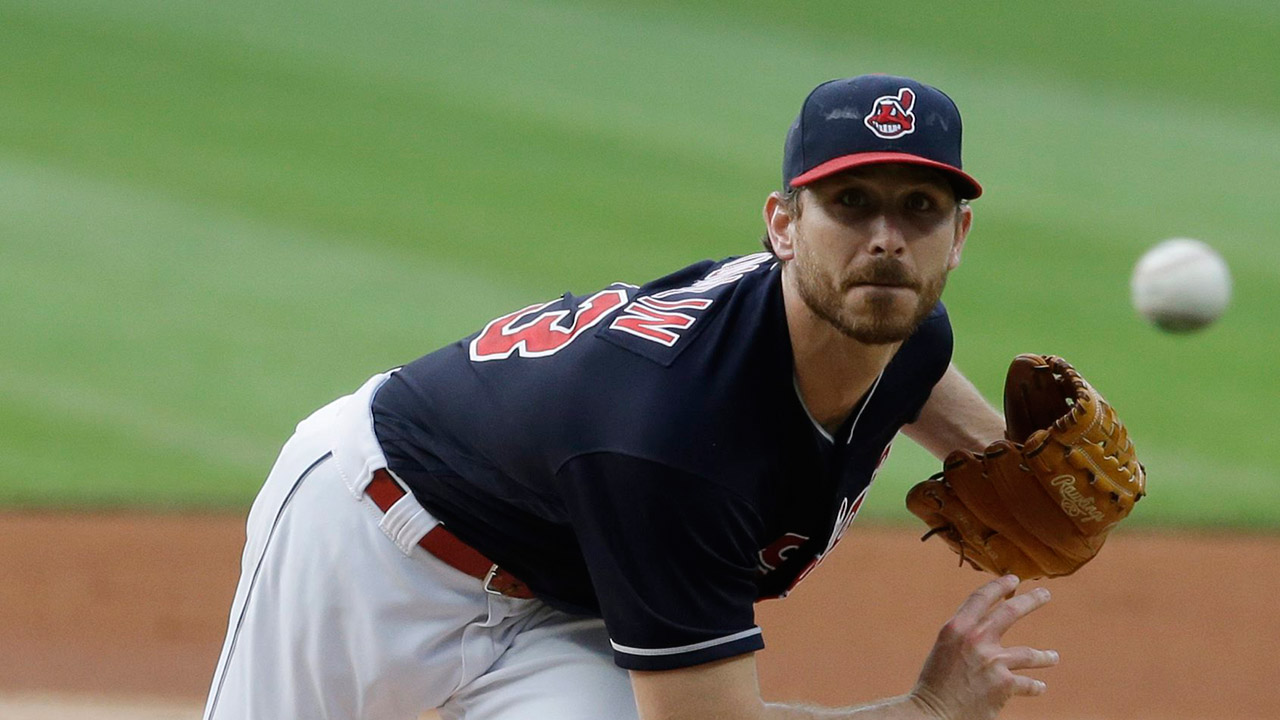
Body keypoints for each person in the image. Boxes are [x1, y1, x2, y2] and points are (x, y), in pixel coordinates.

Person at [203, 74, 1059, 720]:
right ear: (783, 227)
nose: (886, 239)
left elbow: (926, 382)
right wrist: (924, 711)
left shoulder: (909, 337)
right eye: (851, 204)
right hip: (365, 542)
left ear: (959, 238)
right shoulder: (670, 436)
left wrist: (1014, 459)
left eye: (920, 208)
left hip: (559, 600)